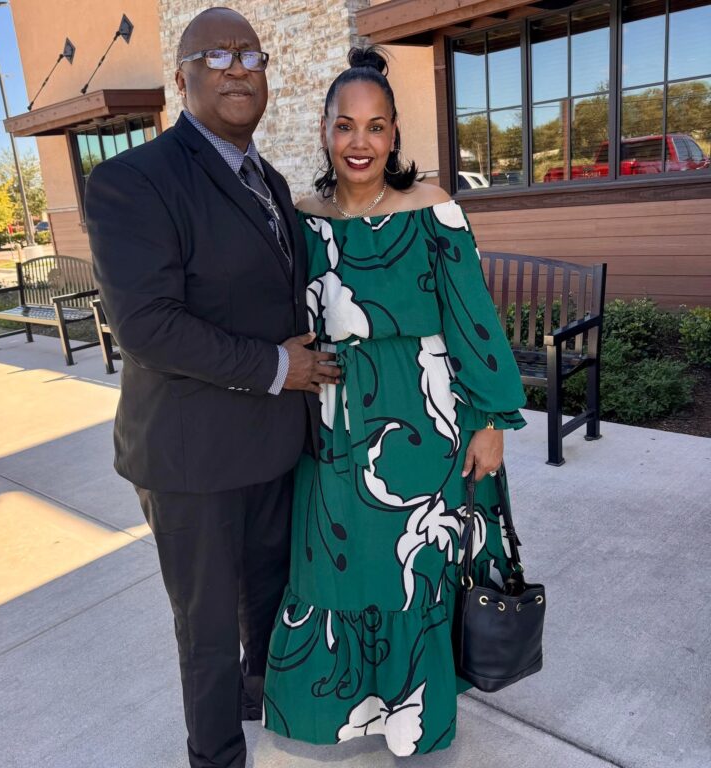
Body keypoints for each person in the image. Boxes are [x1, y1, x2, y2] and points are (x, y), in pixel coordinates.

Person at [84, 8, 337, 768]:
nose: (237, 68)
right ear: (182, 76)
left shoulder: (271, 179)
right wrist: (275, 366)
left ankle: (264, 704)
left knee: (268, 604)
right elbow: (148, 326)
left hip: (271, 448)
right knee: (205, 629)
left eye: (251, 56)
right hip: (191, 458)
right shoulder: (132, 181)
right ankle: (217, 755)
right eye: (216, 54)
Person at [262, 46, 527, 756]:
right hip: (331, 427)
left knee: (419, 573)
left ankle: (413, 716)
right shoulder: (299, 218)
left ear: (395, 135)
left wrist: (491, 420)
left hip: (427, 423)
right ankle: (343, 709)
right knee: (333, 565)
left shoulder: (433, 208)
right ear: (324, 130)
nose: (360, 142)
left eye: (376, 127)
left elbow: (473, 320)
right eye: (346, 125)